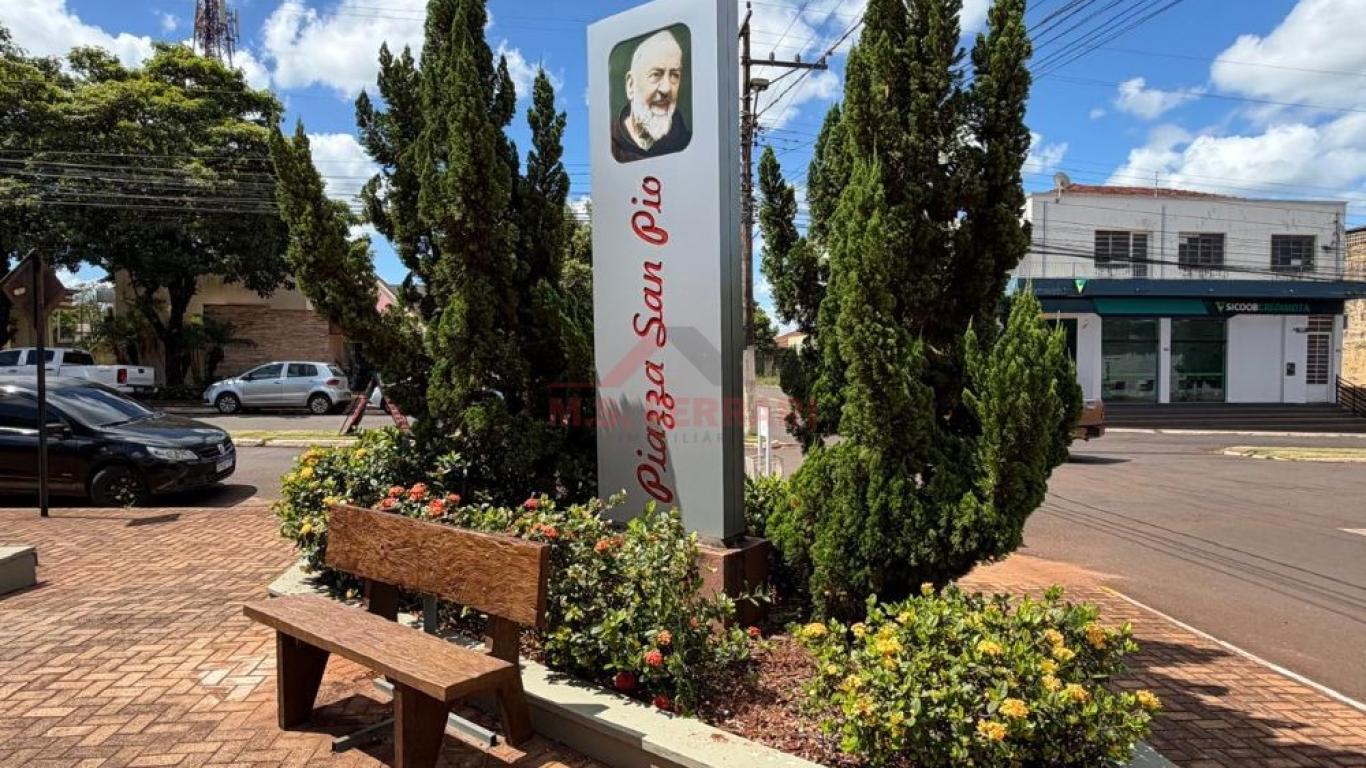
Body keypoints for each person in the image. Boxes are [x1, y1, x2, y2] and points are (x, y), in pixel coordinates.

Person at [612, 29, 690, 162]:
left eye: (674, 75)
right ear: (631, 85)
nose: (666, 89)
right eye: (656, 74)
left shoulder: (688, 145)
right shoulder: (610, 145)